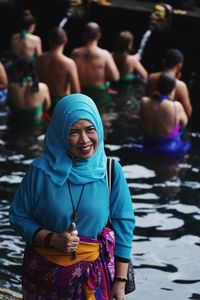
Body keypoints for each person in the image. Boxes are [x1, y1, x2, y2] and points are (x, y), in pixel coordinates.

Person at [9, 93, 135, 299]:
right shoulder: (40, 171)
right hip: (44, 273)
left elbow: (124, 226)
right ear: (60, 133)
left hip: (93, 277)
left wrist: (120, 283)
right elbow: (18, 217)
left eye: (90, 130)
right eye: (74, 132)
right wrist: (51, 239)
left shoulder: (110, 171)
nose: (84, 140)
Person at [71, 22, 120, 110]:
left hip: (81, 95)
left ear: (84, 35)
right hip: (99, 96)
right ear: (99, 36)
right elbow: (115, 77)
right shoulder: (105, 55)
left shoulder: (75, 53)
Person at [138, 73, 190, 154]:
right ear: (172, 90)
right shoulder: (175, 106)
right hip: (169, 149)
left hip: (146, 145)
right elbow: (184, 123)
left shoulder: (144, 102)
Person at [36, 27, 80, 112]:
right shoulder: (69, 63)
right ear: (65, 40)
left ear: (49, 40)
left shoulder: (39, 59)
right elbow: (76, 91)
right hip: (61, 104)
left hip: (43, 102)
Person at [147, 48, 193, 118]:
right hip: (168, 123)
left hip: (150, 116)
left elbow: (148, 97)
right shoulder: (181, 86)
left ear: (164, 62)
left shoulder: (151, 77)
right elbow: (188, 113)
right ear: (179, 65)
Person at [7, 56, 51, 125]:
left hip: (18, 124)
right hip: (37, 123)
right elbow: (47, 107)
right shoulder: (43, 87)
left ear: (19, 71)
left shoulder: (12, 87)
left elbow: (9, 105)